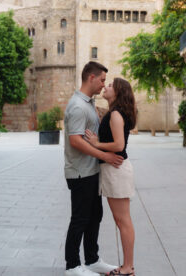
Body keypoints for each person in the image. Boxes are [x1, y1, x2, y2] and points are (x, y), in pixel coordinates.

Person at [64, 61, 123, 276]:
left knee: (95, 215)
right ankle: (72, 265)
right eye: (102, 80)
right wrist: (104, 155)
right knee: (80, 218)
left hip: (91, 172)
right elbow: (76, 141)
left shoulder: (87, 103)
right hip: (80, 172)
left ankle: (91, 259)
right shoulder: (78, 105)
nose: (103, 84)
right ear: (91, 78)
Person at [85, 78, 136, 276]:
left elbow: (119, 145)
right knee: (121, 220)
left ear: (118, 92)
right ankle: (128, 266)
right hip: (114, 170)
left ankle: (127, 268)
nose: (106, 87)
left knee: (123, 220)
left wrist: (96, 144)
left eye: (110, 85)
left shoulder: (115, 114)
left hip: (116, 170)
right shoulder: (114, 112)